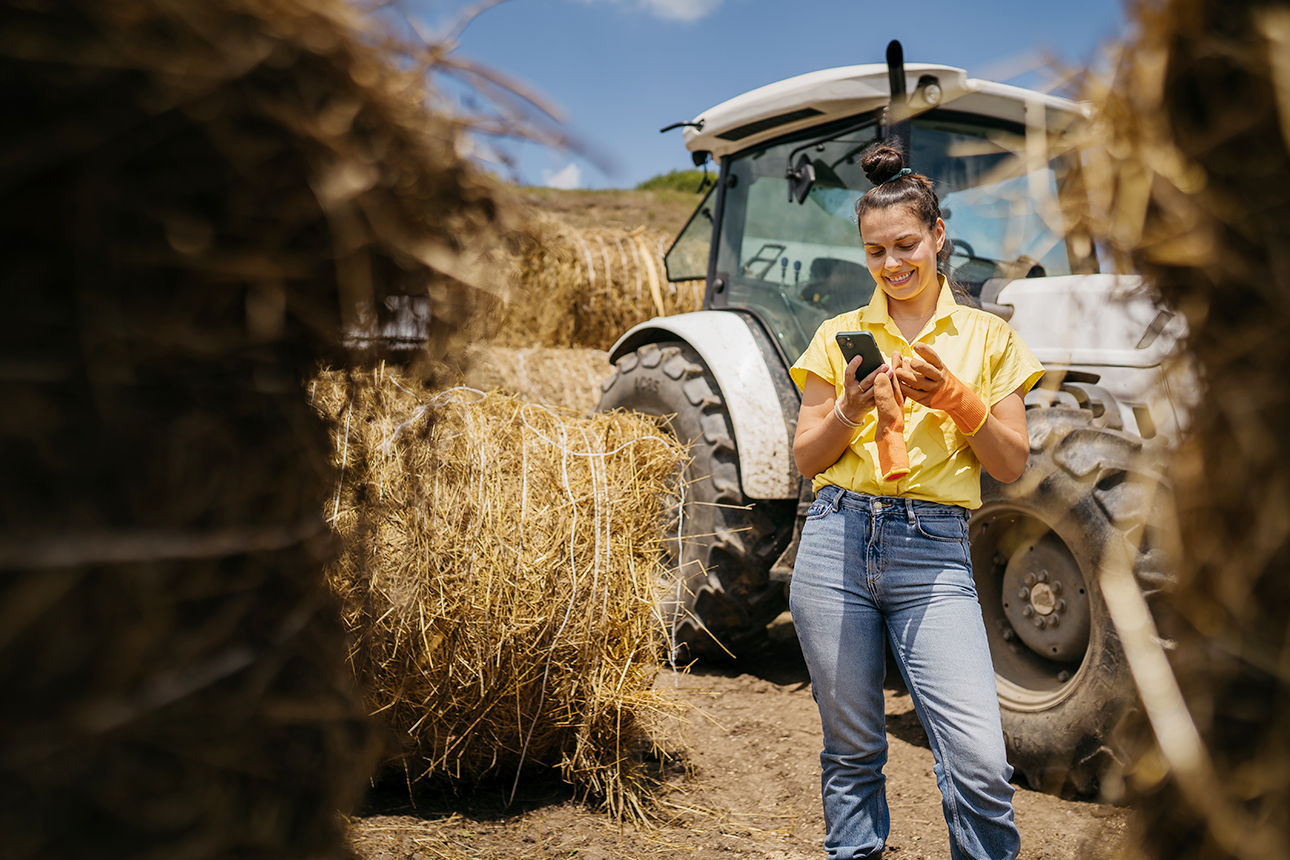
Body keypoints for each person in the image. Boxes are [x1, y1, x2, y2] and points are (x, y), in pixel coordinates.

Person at [788, 144, 1044, 860]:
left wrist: (959, 401)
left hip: (931, 552)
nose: (893, 263)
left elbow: (1011, 463)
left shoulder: (989, 338)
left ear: (937, 236)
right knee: (852, 753)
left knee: (982, 765)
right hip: (836, 542)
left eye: (906, 244)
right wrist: (848, 409)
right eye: (876, 251)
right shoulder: (837, 336)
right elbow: (807, 457)